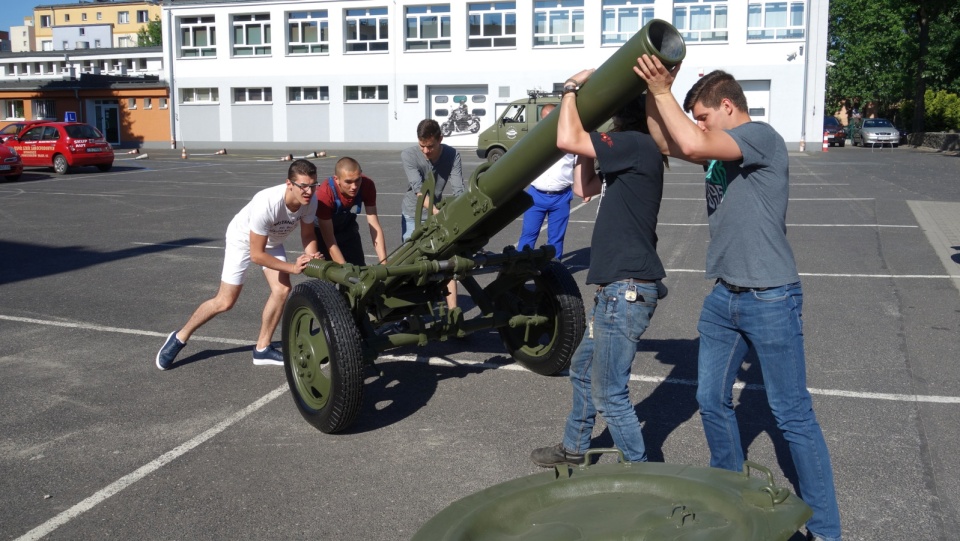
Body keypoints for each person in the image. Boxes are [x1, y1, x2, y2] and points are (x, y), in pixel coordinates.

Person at [635, 56, 842, 541]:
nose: (699, 124)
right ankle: (731, 501)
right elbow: (668, 140)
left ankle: (826, 531)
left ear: (727, 106)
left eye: (704, 115)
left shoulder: (761, 137)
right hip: (724, 297)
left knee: (792, 415)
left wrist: (665, 91)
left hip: (771, 297)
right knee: (709, 399)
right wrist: (649, 89)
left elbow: (687, 137)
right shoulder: (718, 148)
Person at [530, 69, 668, 467]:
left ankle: (641, 474)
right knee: (582, 366)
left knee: (610, 393)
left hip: (625, 290)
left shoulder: (637, 145)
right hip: (615, 290)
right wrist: (583, 147)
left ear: (620, 116)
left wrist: (570, 91)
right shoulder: (631, 151)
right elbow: (583, 188)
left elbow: (564, 137)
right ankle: (575, 448)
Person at [155, 159, 322, 370]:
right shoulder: (267, 202)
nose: (309, 191)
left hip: (272, 242)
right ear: (289, 183)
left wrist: (312, 255)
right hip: (243, 240)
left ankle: (262, 349)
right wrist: (293, 267)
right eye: (303, 186)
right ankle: (179, 337)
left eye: (313, 185)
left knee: (282, 289)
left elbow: (308, 234)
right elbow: (257, 255)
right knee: (225, 301)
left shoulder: (310, 201)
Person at [400, 119, 464, 309]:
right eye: (422, 146)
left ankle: (454, 314)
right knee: (412, 264)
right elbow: (420, 190)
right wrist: (437, 212)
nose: (426, 151)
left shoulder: (452, 155)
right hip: (414, 213)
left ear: (440, 139)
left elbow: (459, 189)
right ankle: (408, 313)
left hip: (438, 212)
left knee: (448, 262)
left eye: (430, 146)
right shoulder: (409, 155)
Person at [516, 103, 579, 260]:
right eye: (545, 119)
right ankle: (519, 273)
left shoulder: (570, 138)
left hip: (561, 196)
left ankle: (553, 272)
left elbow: (579, 165)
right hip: (536, 196)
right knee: (528, 236)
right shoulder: (534, 140)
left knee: (556, 240)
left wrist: (582, 188)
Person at [314, 157, 387, 266]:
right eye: (348, 182)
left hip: (346, 226)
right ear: (336, 179)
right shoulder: (324, 195)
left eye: (358, 180)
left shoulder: (367, 185)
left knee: (359, 269)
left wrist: (384, 263)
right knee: (331, 276)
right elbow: (330, 241)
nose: (354, 186)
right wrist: (345, 269)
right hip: (322, 232)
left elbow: (374, 225)